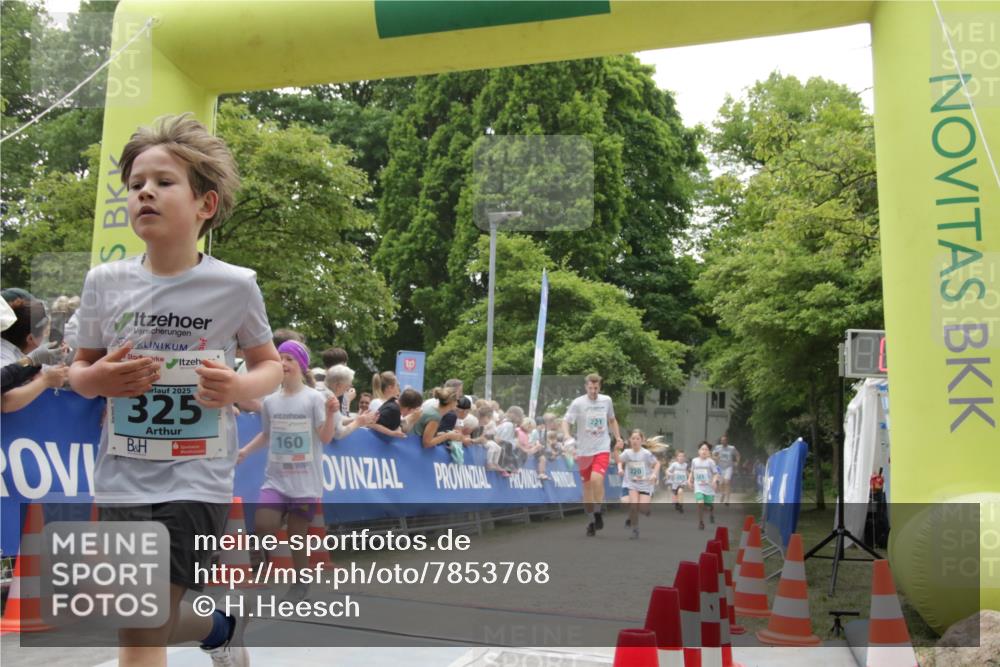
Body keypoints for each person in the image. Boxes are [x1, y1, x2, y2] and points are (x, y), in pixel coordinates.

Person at [67, 113, 283, 667]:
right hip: (122, 476)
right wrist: (99, 379)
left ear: (204, 205)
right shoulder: (104, 283)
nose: (145, 193)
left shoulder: (235, 286)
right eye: (136, 184)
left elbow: (270, 368)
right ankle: (218, 627)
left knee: (140, 627)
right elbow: (79, 370)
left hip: (198, 476)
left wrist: (237, 384)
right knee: (138, 625)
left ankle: (216, 627)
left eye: (163, 182)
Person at [236, 340, 337, 603]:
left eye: (290, 359)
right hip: (276, 478)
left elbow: (325, 438)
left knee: (297, 534)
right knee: (263, 524)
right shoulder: (270, 402)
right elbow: (267, 435)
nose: (284, 363)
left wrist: (331, 413)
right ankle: (280, 565)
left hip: (305, 481)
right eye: (280, 358)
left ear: (302, 366)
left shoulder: (314, 399)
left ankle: (300, 582)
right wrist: (245, 451)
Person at [562, 373, 623, 537]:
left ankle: (598, 511)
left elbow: (612, 419)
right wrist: (567, 436)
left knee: (597, 479)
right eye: (590, 388)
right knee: (587, 487)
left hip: (601, 447)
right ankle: (591, 520)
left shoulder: (606, 400)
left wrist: (618, 437)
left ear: (600, 387)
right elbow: (566, 421)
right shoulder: (578, 403)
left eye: (596, 388)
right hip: (584, 450)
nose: (593, 391)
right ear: (586, 387)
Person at [1, 290, 70, 412]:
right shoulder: (4, 354)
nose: (45, 337)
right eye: (44, 333)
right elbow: (5, 402)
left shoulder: (15, 352)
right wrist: (45, 381)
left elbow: (19, 368)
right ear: (31, 338)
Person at [617, 429, 660, 539]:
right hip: (633, 484)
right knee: (633, 506)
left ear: (642, 441)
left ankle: (646, 511)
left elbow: (657, 464)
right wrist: (620, 468)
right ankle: (635, 529)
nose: (635, 441)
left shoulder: (646, 454)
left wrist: (654, 474)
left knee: (642, 509)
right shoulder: (627, 453)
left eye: (637, 438)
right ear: (629, 440)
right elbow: (619, 460)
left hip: (645, 484)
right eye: (633, 438)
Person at [689, 442, 721, 530]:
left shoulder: (710, 462)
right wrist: (689, 480)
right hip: (698, 486)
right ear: (698, 451)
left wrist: (714, 481)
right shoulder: (694, 461)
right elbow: (692, 472)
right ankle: (701, 522)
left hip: (709, 487)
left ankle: (711, 512)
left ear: (709, 452)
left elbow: (715, 474)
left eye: (706, 449)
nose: (704, 451)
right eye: (702, 449)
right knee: (700, 503)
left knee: (708, 505)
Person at [713, 434, 740, 505]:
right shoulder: (717, 447)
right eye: (722, 440)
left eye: (724, 440)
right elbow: (712, 455)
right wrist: (716, 458)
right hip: (720, 467)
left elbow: (737, 455)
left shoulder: (732, 448)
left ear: (727, 441)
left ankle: (727, 500)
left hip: (728, 467)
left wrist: (737, 462)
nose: (723, 441)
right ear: (720, 441)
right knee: (721, 483)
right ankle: (723, 493)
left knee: (727, 482)